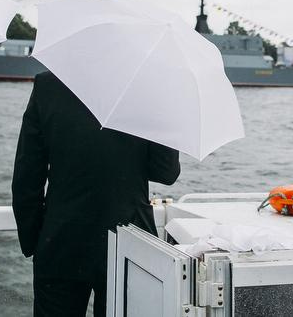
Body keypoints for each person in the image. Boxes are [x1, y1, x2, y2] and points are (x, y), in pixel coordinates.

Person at [13, 71, 181, 316]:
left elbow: (27, 176)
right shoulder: (148, 87)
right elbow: (166, 172)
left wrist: (35, 241)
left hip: (60, 241)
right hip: (129, 243)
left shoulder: (49, 84)